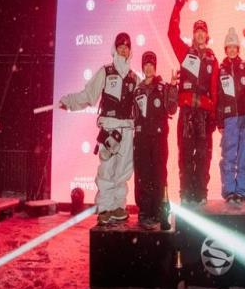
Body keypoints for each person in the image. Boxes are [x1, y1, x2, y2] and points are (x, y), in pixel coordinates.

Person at [59, 32, 139, 225]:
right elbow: (89, 95)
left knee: (123, 171)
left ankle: (118, 206)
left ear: (130, 51)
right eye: (120, 46)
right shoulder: (105, 72)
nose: (123, 49)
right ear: (115, 49)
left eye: (126, 47)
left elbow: (141, 106)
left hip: (127, 129)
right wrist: (69, 102)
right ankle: (104, 208)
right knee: (106, 170)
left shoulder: (134, 78)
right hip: (110, 129)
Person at [168, 0, 218, 205]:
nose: (199, 34)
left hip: (205, 115)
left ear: (207, 35)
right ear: (193, 34)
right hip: (187, 113)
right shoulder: (185, 53)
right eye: (197, 30)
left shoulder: (213, 59)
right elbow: (171, 33)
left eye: (203, 31)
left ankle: (201, 193)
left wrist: (214, 116)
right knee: (186, 155)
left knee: (203, 156)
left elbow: (215, 89)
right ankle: (186, 194)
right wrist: (178, 4)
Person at [133, 51, 178, 229]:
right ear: (142, 67)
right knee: (143, 176)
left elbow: (172, 109)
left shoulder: (163, 87)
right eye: (146, 65)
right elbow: (133, 116)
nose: (149, 68)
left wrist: (173, 88)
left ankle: (160, 210)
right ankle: (145, 212)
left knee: (159, 175)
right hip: (142, 139)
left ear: (155, 67)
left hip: (159, 139)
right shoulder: (137, 90)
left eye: (151, 65)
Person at [217, 27, 245, 203]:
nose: (232, 50)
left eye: (234, 47)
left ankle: (242, 191)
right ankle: (229, 191)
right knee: (229, 156)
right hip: (229, 119)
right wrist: (219, 121)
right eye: (229, 47)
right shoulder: (220, 71)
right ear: (225, 49)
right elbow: (218, 97)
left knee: (244, 155)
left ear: (238, 48)